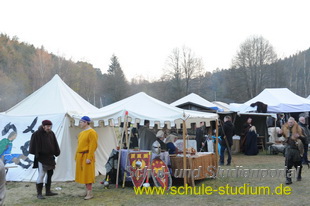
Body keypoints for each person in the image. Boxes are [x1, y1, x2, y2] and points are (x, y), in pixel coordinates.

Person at [29, 120, 61, 199]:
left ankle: (48, 191)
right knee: (42, 174)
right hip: (41, 158)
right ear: (43, 126)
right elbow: (32, 146)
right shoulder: (36, 134)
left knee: (50, 174)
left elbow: (55, 143)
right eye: (47, 126)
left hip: (50, 157)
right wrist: (38, 153)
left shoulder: (51, 133)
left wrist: (56, 152)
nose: (48, 127)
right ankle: (39, 193)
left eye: (50, 126)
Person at [75, 116, 98, 200]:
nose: (80, 123)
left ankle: (90, 193)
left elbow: (93, 146)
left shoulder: (92, 132)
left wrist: (89, 157)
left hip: (87, 156)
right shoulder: (81, 133)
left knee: (88, 175)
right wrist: (76, 156)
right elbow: (79, 145)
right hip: (80, 156)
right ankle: (86, 191)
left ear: (86, 122)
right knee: (83, 175)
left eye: (81, 122)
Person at [279, 117, 304, 184]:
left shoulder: (299, 128)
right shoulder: (285, 128)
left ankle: (298, 175)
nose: (290, 123)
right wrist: (279, 133)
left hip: (296, 149)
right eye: (289, 122)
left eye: (291, 122)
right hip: (288, 149)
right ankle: (288, 179)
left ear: (294, 122)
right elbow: (280, 135)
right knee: (287, 165)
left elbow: (305, 139)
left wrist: (299, 136)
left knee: (298, 165)